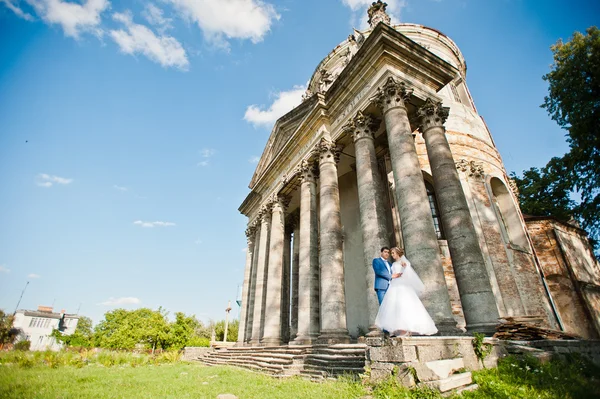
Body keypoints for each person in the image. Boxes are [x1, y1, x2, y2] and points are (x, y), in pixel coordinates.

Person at [375, 247, 438, 337]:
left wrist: (405, 268)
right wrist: (393, 276)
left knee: (404, 305)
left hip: (401, 285)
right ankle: (397, 329)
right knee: (394, 307)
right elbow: (382, 272)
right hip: (393, 285)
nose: (391, 255)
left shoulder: (403, 262)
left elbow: (408, 274)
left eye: (392, 253)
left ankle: (405, 328)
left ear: (398, 253)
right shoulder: (391, 264)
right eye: (390, 253)